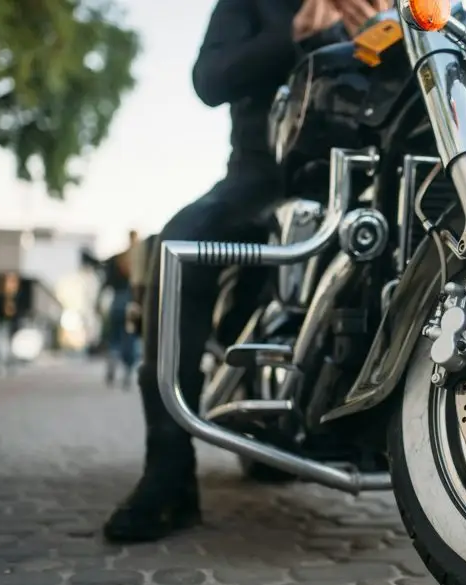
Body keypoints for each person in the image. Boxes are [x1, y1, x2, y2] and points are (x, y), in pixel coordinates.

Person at [103, 0, 386, 543]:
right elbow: (210, 79)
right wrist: (300, 35)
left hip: (374, 179)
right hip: (265, 177)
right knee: (178, 243)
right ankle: (168, 470)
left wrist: (382, 32)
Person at [101, 230, 142, 389]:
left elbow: (106, 280)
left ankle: (112, 365)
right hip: (131, 302)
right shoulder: (138, 259)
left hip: (116, 302)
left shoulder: (117, 258)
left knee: (114, 339)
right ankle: (127, 374)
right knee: (130, 339)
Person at [0, 272, 24, 374]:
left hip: (12, 324)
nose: (11, 285)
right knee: (2, 345)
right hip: (1, 323)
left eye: (13, 282)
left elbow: (21, 311)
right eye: (9, 282)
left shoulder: (18, 297)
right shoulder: (1, 296)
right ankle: (1, 366)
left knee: (8, 346)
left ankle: (7, 365)